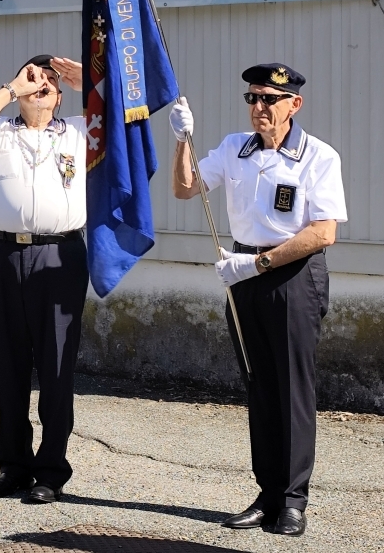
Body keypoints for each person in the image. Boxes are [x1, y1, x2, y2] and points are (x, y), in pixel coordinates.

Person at [170, 64, 346, 537]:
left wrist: (258, 265)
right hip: (243, 274)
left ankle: (292, 501)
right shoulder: (235, 148)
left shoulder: (318, 157)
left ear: (294, 105)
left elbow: (323, 232)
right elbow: (186, 188)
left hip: (291, 275)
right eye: (252, 99)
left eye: (269, 99)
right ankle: (267, 495)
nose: (259, 108)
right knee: (260, 387)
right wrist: (183, 140)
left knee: (292, 390)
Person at [0, 54, 88, 504]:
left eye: (51, 80)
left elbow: (129, 113)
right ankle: (13, 466)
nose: (43, 85)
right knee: (9, 366)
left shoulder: (78, 131)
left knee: (55, 367)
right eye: (35, 78)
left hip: (61, 255)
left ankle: (51, 471)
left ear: (61, 93)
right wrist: (13, 88)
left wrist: (91, 79)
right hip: (5, 253)